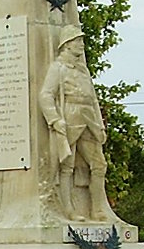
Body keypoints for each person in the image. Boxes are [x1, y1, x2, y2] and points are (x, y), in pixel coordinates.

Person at [39, 24, 114, 222]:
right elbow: (46, 95)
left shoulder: (83, 70)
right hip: (70, 118)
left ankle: (97, 209)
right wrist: (55, 120)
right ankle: (69, 210)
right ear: (67, 45)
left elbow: (93, 100)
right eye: (77, 41)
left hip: (88, 119)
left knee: (99, 165)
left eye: (81, 40)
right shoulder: (58, 68)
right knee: (67, 166)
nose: (81, 44)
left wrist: (100, 125)